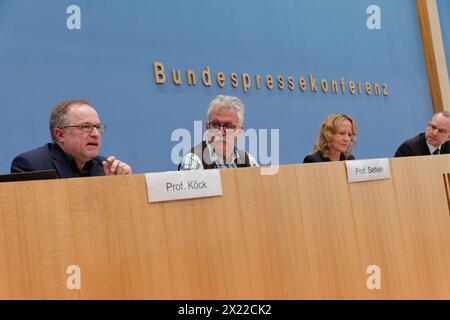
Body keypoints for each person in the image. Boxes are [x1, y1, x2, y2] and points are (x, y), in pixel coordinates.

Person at [11, 99, 132, 178]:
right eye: (86, 126)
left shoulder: (106, 168)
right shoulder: (32, 165)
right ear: (60, 135)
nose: (95, 134)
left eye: (98, 127)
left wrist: (120, 186)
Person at [178, 95, 258, 170]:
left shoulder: (249, 162)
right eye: (215, 124)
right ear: (207, 128)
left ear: (239, 132)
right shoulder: (194, 160)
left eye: (228, 126)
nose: (220, 132)